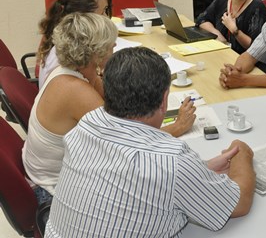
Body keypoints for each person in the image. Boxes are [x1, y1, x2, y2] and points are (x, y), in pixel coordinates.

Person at [45, 47, 256, 237]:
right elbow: (239, 204)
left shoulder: (88, 124)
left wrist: (200, 170)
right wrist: (242, 154)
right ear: (164, 100)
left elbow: (125, 175)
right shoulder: (171, 159)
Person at [23, 13, 197, 204]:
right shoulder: (75, 90)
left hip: (44, 173)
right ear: (96, 53)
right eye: (111, 45)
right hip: (51, 191)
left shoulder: (71, 72)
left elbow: (113, 100)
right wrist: (178, 126)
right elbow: (131, 145)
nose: (115, 48)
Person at [38, 0, 112, 88]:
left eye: (106, 10)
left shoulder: (69, 40)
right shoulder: (71, 54)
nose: (106, 17)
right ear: (84, 19)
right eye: (101, 13)